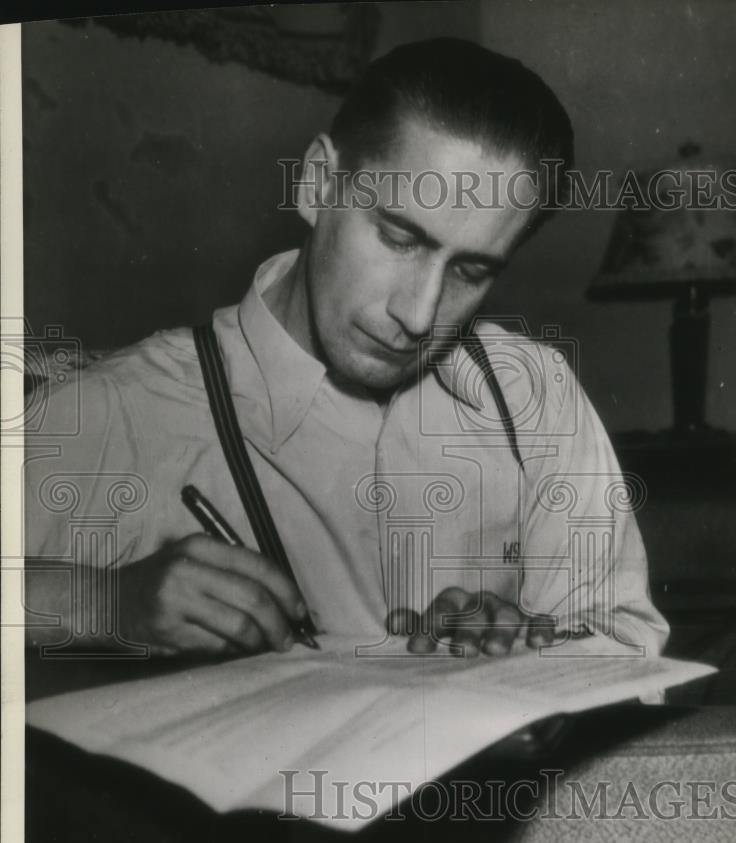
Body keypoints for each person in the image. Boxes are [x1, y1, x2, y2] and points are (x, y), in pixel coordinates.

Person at [24, 38, 668, 661]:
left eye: (470, 272)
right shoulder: (122, 408)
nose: (417, 315)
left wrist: (535, 659)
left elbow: (626, 643)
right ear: (316, 183)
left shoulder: (534, 395)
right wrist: (105, 601)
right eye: (398, 237)